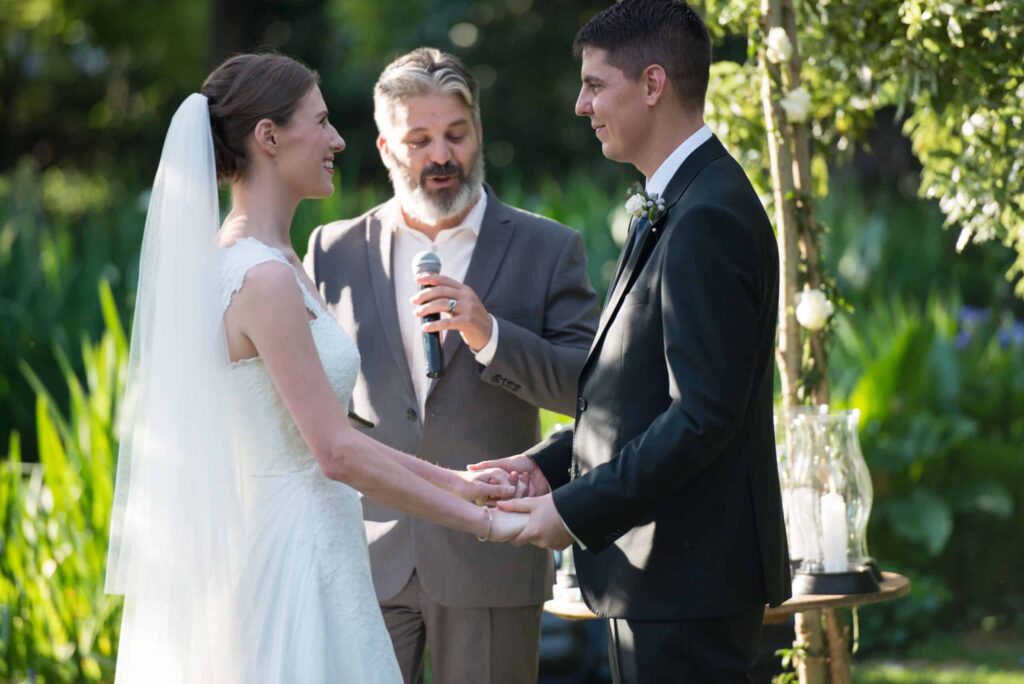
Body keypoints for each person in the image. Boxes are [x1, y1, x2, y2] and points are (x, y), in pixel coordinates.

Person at [105, 53, 528, 684]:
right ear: (268, 137)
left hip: (322, 544)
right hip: (293, 561)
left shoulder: (277, 259)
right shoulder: (262, 276)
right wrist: (485, 524)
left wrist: (460, 484)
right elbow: (334, 453)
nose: (336, 139)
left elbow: (335, 435)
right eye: (321, 121)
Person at [478, 2, 792, 681]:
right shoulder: (678, 198)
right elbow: (640, 396)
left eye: (595, 84)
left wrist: (573, 508)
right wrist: (555, 463)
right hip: (665, 583)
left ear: (653, 85)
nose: (579, 104)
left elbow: (703, 415)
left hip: (687, 583)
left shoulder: (707, 215)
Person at [304, 48, 599, 684]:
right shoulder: (332, 250)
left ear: (479, 134)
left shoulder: (550, 248)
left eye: (455, 135)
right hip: (367, 560)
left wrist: (489, 334)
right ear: (386, 148)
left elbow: (588, 388)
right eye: (420, 140)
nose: (441, 156)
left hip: (490, 554)